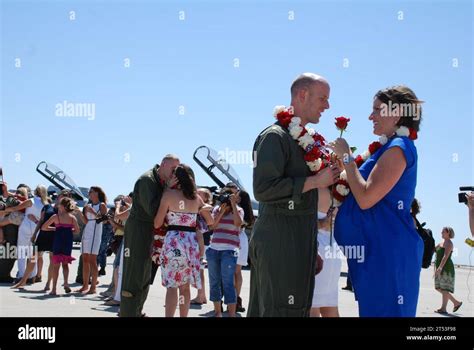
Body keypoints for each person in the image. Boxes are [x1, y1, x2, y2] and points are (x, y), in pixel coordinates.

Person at [248, 73, 340, 317]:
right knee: (278, 310)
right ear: (302, 94)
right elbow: (263, 189)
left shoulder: (301, 140)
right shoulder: (275, 137)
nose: (327, 106)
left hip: (299, 239)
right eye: (323, 98)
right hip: (279, 240)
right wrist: (314, 181)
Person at [331, 85, 424, 317]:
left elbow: (365, 198)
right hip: (379, 251)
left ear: (396, 113)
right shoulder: (388, 147)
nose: (371, 116)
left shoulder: (397, 149)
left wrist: (347, 157)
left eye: (376, 110)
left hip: (388, 253)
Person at [120, 155, 180, 317]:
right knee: (135, 273)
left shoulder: (158, 181)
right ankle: (128, 313)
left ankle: (136, 311)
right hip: (139, 231)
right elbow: (154, 210)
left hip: (148, 231)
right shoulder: (148, 181)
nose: (175, 173)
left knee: (145, 275)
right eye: (173, 169)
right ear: (163, 164)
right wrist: (168, 191)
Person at [154, 164, 213, 317]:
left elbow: (157, 223)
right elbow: (211, 222)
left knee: (172, 286)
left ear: (175, 178)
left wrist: (167, 188)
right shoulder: (197, 198)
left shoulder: (168, 194)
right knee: (185, 287)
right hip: (191, 242)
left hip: (174, 241)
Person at [310, 187, 342, 317]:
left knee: (316, 308)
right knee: (326, 308)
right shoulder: (336, 189)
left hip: (323, 253)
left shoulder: (318, 187)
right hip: (326, 253)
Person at [9, 185, 49, 282]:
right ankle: (32, 276)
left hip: (26, 226)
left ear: (36, 191)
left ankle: (22, 275)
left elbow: (16, 208)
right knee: (32, 254)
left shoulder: (31, 201)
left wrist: (4, 211)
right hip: (37, 228)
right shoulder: (46, 204)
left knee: (22, 252)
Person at [41, 197, 80, 295]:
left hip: (58, 241)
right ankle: (66, 283)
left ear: (62, 206)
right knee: (65, 264)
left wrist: (55, 229)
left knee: (56, 266)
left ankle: (54, 289)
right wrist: (69, 231)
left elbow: (44, 227)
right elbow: (77, 231)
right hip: (67, 242)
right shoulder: (72, 218)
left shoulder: (56, 217)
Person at [76, 186, 107, 294]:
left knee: (92, 260)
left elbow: (104, 220)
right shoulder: (87, 205)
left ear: (97, 193)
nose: (89, 193)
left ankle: (93, 286)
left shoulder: (102, 205)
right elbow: (85, 221)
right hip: (87, 231)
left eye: (91, 192)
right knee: (84, 259)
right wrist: (79, 213)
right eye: (89, 192)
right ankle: (85, 285)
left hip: (96, 233)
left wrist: (93, 211)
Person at [190, 187, 214, 305]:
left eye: (201, 193)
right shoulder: (201, 206)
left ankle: (200, 296)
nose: (197, 193)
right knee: (200, 270)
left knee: (199, 269)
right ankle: (202, 295)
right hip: (200, 240)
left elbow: (210, 222)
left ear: (206, 197)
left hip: (201, 241)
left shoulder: (204, 207)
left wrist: (200, 209)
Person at [234, 189, 254, 313]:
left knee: (232, 272)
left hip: (235, 239)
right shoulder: (248, 212)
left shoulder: (237, 210)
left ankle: (233, 299)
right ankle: (236, 298)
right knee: (238, 272)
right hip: (242, 239)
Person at [434, 227, 462, 314]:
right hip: (439, 267)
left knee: (445, 289)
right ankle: (456, 302)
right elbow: (433, 251)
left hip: (446, 268)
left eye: (443, 231)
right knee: (439, 288)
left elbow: (445, 257)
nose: (441, 232)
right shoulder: (440, 243)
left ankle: (443, 309)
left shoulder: (449, 243)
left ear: (448, 233)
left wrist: (440, 268)